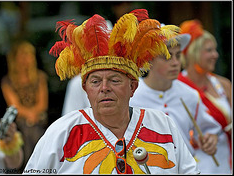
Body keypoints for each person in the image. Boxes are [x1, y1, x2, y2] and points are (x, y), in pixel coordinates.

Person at [23, 10, 199, 174]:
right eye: (95, 81)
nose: (104, 87)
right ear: (85, 89)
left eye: (115, 80)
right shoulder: (62, 132)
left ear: (132, 87)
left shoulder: (163, 125)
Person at [129, 26, 228, 173]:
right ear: (148, 60)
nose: (175, 62)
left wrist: (210, 139)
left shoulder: (190, 94)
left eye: (177, 55)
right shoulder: (132, 96)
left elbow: (209, 129)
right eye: (167, 56)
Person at [177, 19, 232, 174]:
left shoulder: (223, 85)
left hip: (226, 162)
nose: (216, 55)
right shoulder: (176, 87)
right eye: (209, 50)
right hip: (196, 165)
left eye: (215, 49)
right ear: (193, 53)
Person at [1, 40, 49, 170]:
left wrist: (32, 116)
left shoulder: (40, 77)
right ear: (15, 58)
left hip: (37, 120)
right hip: (21, 123)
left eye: (29, 54)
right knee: (27, 131)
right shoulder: (7, 81)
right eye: (23, 55)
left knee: (33, 130)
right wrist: (29, 117)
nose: (26, 58)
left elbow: (42, 104)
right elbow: (14, 106)